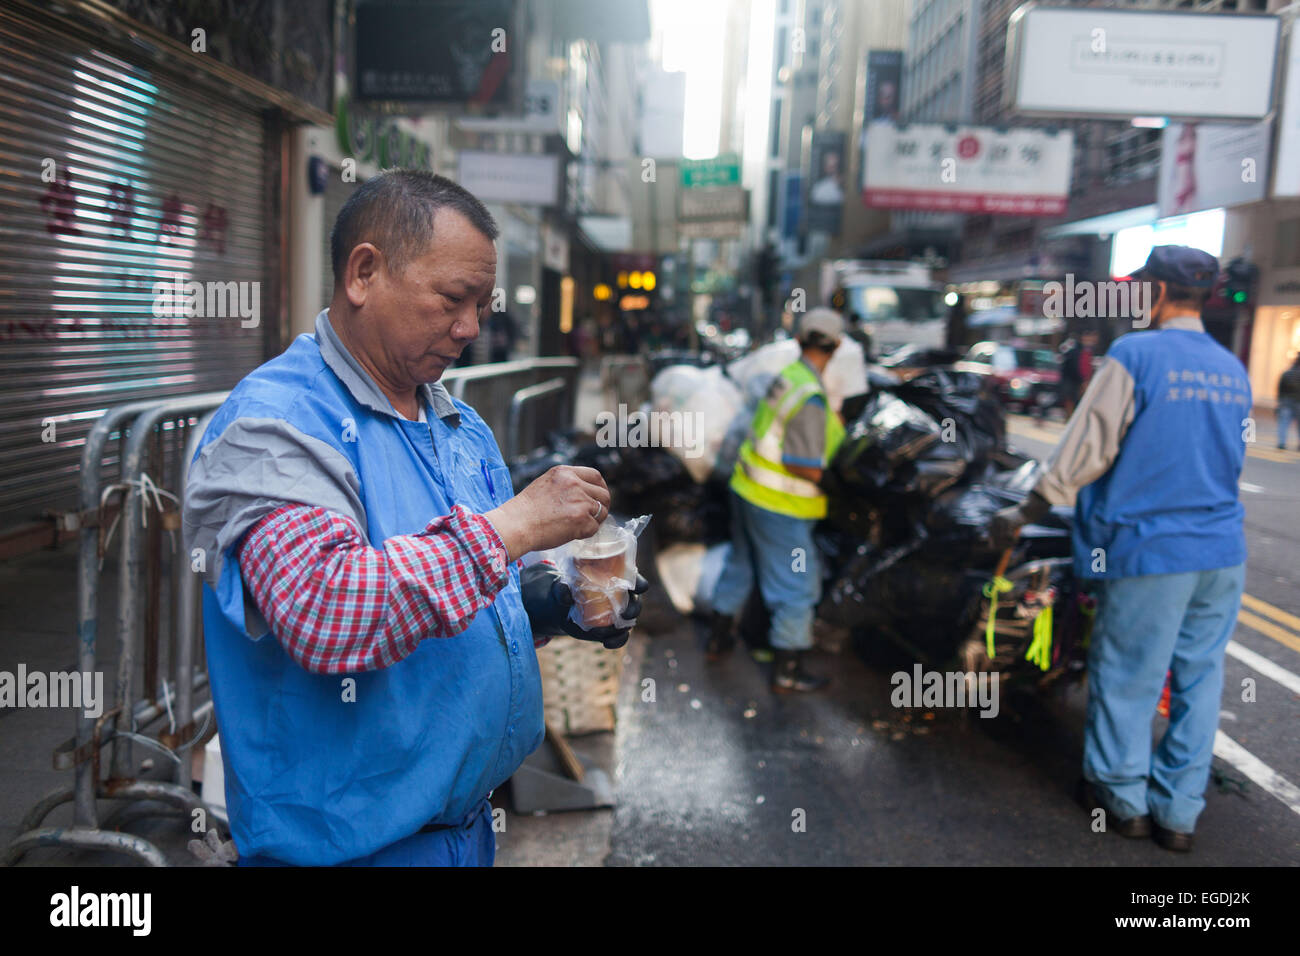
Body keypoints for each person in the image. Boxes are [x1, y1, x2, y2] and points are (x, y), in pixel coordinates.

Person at [183, 170, 646, 867]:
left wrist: (561, 603)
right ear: (363, 273)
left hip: (466, 834)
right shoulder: (275, 426)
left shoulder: (457, 425)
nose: (470, 329)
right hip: (348, 852)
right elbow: (324, 609)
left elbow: (479, 590)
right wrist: (514, 525)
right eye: (453, 299)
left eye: (483, 307)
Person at [991, 246, 1249, 853]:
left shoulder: (1136, 355)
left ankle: (1121, 799)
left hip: (1150, 549)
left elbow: (1087, 447)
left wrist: (1027, 510)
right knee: (1198, 680)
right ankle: (1178, 814)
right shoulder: (1229, 366)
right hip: (1221, 549)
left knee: (1129, 673)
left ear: (1156, 294)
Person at [707, 308, 847, 693]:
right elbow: (801, 464)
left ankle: (718, 639)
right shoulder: (811, 396)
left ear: (800, 341)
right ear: (835, 347)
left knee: (741, 564)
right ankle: (789, 668)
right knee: (797, 585)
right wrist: (836, 483)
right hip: (779, 506)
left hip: (746, 490)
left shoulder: (789, 378)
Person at [1058, 329, 1098, 418]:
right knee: (1072, 406)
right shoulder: (1075, 351)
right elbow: (1075, 368)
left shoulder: (1090, 351)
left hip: (1082, 384)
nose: (1092, 340)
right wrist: (1082, 381)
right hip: (1074, 384)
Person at [1276, 354, 1300, 449]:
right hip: (1298, 402)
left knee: (1284, 423)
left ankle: (1282, 442)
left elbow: (1280, 389)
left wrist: (1280, 401)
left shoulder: (1286, 373)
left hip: (1286, 402)